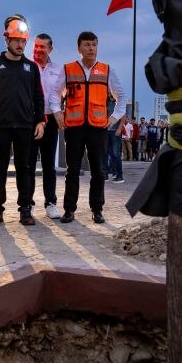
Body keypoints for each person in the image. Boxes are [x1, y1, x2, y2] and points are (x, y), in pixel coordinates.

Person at [0, 14, 46, 227]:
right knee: (1, 167)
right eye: (16, 40)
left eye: (23, 41)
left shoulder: (31, 68)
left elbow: (38, 97)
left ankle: (25, 210)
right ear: (6, 40)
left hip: (25, 126)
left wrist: (40, 121)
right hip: (1, 125)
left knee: (25, 168)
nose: (20, 44)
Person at [55, 31, 127, 224]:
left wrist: (113, 118)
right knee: (72, 170)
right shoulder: (68, 69)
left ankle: (97, 209)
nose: (91, 48)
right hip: (74, 127)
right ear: (79, 48)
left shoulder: (106, 70)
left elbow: (122, 96)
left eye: (94, 45)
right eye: (86, 45)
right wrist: (57, 112)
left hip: (98, 128)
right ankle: (69, 210)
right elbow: (55, 93)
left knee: (99, 171)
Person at [29, 33, 65, 219]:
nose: (38, 50)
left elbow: (59, 94)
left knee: (48, 164)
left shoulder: (59, 70)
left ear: (50, 49)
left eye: (43, 47)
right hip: (30, 121)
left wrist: (58, 112)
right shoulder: (26, 65)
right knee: (28, 164)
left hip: (50, 121)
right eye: (36, 46)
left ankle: (51, 203)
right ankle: (27, 204)